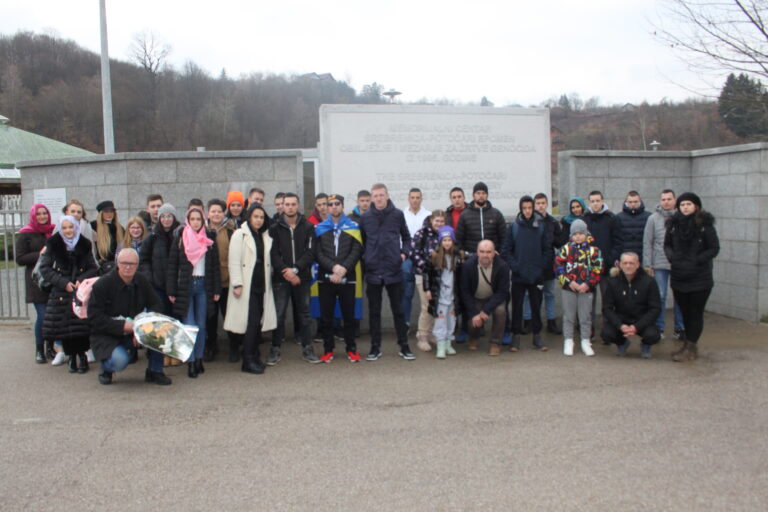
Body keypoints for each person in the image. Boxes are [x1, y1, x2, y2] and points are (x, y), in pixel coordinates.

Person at [88, 248, 171, 385]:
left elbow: (156, 304)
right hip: (107, 334)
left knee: (160, 329)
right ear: (117, 263)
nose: (128, 267)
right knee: (120, 360)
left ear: (137, 265)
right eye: (124, 263)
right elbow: (94, 317)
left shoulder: (141, 280)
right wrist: (123, 326)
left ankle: (155, 370)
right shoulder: (102, 284)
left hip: (134, 330)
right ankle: (106, 367)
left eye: (132, 264)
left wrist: (141, 327)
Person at [359, 183, 414, 361]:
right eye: (375, 196)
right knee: (374, 312)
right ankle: (375, 347)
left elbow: (406, 237)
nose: (379, 198)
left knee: (398, 310)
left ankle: (404, 346)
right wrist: (367, 258)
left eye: (381, 195)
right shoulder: (365, 218)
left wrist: (403, 254)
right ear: (372, 198)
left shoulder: (397, 215)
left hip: (393, 269)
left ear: (387, 196)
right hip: (373, 270)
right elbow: (362, 242)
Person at [664, 192, 719, 362]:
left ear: (696, 206)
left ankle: (690, 346)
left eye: (688, 204)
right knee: (685, 313)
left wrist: (697, 260)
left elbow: (714, 248)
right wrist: (673, 258)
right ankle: (689, 345)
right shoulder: (673, 225)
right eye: (682, 204)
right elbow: (667, 245)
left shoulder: (705, 225)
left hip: (699, 278)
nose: (685, 207)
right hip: (679, 276)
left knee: (695, 313)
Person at [40, 215, 99, 373]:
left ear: (76, 227)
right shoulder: (54, 244)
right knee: (65, 327)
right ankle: (72, 357)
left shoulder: (84, 244)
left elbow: (93, 267)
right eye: (64, 227)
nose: (68, 230)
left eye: (71, 227)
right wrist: (62, 282)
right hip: (61, 291)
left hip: (80, 291)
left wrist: (81, 279)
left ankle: (83, 357)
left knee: (81, 326)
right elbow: (45, 268)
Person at [224, 203, 278, 375]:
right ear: (249, 217)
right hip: (247, 286)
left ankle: (254, 355)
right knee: (251, 323)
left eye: (261, 217)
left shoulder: (264, 235)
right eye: (255, 216)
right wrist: (237, 284)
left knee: (257, 323)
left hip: (261, 285)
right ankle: (247, 360)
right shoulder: (239, 234)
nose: (259, 220)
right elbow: (234, 261)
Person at [167, 208, 221, 378]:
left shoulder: (209, 239)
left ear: (203, 221)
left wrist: (217, 289)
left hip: (204, 285)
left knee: (201, 325)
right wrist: (171, 290)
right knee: (189, 325)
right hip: (186, 286)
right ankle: (190, 361)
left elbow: (215, 266)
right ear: (188, 221)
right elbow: (172, 266)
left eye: (199, 219)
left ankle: (198, 358)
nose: (196, 222)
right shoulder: (180, 238)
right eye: (193, 219)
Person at [269, 192, 320, 365]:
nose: (290, 207)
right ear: (282, 206)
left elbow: (311, 252)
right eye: (287, 204)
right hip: (281, 278)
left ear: (298, 205)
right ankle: (275, 349)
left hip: (302, 277)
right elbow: (273, 253)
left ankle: (308, 349)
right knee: (279, 315)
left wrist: (296, 269)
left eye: (293, 204)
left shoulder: (308, 227)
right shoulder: (274, 228)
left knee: (304, 315)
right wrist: (286, 271)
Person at [314, 194, 363, 363]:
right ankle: (328, 350)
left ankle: (351, 349)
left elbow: (356, 250)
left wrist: (343, 269)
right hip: (326, 278)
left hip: (347, 277)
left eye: (337, 203)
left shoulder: (353, 226)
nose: (333, 206)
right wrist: (333, 267)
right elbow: (318, 252)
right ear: (327, 207)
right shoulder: (320, 228)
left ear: (342, 206)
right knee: (326, 317)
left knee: (349, 316)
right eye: (330, 204)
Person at [502, 195, 550, 352]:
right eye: (525, 208)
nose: (528, 211)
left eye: (530, 208)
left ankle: (537, 336)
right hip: (519, 275)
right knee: (517, 307)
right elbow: (507, 250)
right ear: (521, 209)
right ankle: (516, 336)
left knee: (536, 306)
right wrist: (515, 267)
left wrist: (541, 267)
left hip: (536, 275)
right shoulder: (514, 227)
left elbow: (547, 250)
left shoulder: (541, 226)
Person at [555, 219, 603, 356]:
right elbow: (558, 267)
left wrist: (588, 283)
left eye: (581, 233)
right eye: (575, 234)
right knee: (569, 316)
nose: (578, 236)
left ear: (586, 234)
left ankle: (585, 340)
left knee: (585, 316)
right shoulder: (565, 249)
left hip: (586, 288)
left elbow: (598, 269)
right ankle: (568, 340)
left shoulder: (594, 251)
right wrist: (569, 282)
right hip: (569, 288)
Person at [602, 252, 662, 358]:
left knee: (653, 335)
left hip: (641, 320)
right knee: (606, 333)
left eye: (631, 263)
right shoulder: (612, 282)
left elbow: (655, 308)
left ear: (637, 264)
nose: (628, 266)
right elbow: (607, 308)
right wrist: (620, 325)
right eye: (625, 263)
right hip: (622, 320)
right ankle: (622, 343)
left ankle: (646, 345)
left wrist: (636, 327)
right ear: (620, 265)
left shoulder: (649, 282)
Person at [643, 189, 685, 339]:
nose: (666, 202)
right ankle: (659, 328)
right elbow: (647, 242)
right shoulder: (653, 219)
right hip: (659, 264)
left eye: (669, 199)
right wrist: (648, 264)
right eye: (663, 199)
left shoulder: (682, 217)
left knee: (680, 296)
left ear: (675, 200)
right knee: (660, 296)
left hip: (678, 264)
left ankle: (680, 328)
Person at [15, 203, 54, 363]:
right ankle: (39, 349)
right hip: (36, 281)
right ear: (33, 216)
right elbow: (20, 259)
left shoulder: (52, 231)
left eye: (45, 213)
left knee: (52, 316)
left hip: (52, 279)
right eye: (38, 214)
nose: (42, 216)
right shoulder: (26, 234)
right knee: (43, 316)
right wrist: (40, 254)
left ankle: (50, 347)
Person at [522, 193, 563, 335]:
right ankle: (528, 320)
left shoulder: (553, 222)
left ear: (547, 204)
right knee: (528, 294)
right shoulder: (529, 221)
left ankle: (551, 321)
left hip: (548, 264)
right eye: (538, 203)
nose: (540, 206)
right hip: (532, 264)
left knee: (549, 293)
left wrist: (551, 240)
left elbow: (559, 242)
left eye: (543, 203)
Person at [584, 190, 622, 339]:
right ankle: (589, 330)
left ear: (602, 201)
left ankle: (608, 331)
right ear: (589, 202)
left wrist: (609, 259)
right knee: (589, 302)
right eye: (592, 201)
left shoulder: (611, 218)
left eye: (598, 200)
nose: (595, 204)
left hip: (606, 267)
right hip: (589, 268)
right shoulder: (585, 219)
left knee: (607, 301)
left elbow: (618, 241)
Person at [461, 240, 509, 355]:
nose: (485, 255)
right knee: (473, 317)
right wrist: (475, 313)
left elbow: (502, 291)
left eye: (488, 252)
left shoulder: (502, 266)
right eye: (482, 251)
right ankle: (473, 337)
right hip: (476, 298)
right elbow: (464, 291)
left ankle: (495, 343)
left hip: (494, 298)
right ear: (477, 252)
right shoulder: (468, 265)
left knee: (500, 311)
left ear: (494, 253)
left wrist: (486, 310)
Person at [423, 226, 465, 359]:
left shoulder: (457, 256)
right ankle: (440, 345)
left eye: (449, 240)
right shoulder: (434, 257)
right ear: (440, 241)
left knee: (451, 320)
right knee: (440, 321)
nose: (447, 243)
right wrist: (427, 289)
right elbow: (426, 273)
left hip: (452, 295)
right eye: (444, 240)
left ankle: (448, 343)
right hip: (440, 296)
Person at [205, 198, 236, 362]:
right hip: (208, 283)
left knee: (229, 316)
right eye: (213, 211)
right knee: (210, 317)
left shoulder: (231, 231)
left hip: (226, 281)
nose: (216, 214)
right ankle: (211, 346)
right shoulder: (201, 230)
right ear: (208, 213)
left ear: (224, 213)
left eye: (219, 211)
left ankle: (234, 347)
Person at [411, 210, 446, 351]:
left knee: (436, 305)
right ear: (431, 220)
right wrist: (426, 267)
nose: (439, 224)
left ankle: (431, 333)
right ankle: (422, 336)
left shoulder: (446, 235)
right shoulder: (422, 233)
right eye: (437, 221)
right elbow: (414, 252)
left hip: (441, 275)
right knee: (427, 305)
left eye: (442, 221)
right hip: (423, 274)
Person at [139, 203, 179, 316]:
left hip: (177, 286)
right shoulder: (152, 237)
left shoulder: (181, 235)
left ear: (174, 217)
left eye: (169, 216)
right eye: (163, 216)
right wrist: (150, 278)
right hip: (158, 287)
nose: (166, 219)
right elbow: (143, 260)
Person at [402, 188, 431, 331]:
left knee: (426, 295)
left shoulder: (428, 215)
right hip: (406, 259)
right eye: (412, 197)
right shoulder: (401, 215)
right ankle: (405, 323)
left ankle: (426, 327)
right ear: (408, 199)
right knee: (406, 293)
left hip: (422, 260)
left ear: (421, 198)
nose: (415, 200)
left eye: (417, 197)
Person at [455, 181, 506, 253]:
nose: (481, 196)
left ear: (487, 195)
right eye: (478, 193)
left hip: (492, 255)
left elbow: (504, 237)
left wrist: (500, 252)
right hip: (471, 255)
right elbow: (458, 239)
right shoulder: (465, 215)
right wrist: (465, 254)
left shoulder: (496, 214)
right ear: (473, 195)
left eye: (483, 193)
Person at [616, 191, 651, 264]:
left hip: (643, 257)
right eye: (630, 202)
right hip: (626, 259)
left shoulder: (649, 217)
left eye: (635, 201)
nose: (633, 204)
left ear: (640, 202)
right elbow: (617, 240)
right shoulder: (618, 217)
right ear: (626, 202)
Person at [91, 200, 125, 275]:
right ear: (101, 213)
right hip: (99, 265)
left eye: (112, 211)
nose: (109, 214)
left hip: (116, 264)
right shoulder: (93, 226)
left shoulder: (119, 228)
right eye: (106, 211)